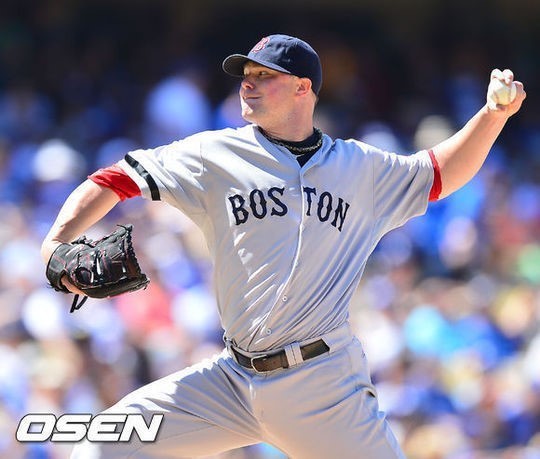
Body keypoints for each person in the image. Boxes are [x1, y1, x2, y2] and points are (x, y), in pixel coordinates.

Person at [41, 34, 526, 459]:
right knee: (100, 446)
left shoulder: (360, 168)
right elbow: (115, 178)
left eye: (263, 75)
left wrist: (493, 115)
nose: (247, 84)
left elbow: (440, 172)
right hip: (231, 382)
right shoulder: (214, 154)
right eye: (246, 75)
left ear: (302, 88)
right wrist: (57, 241)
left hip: (323, 386)